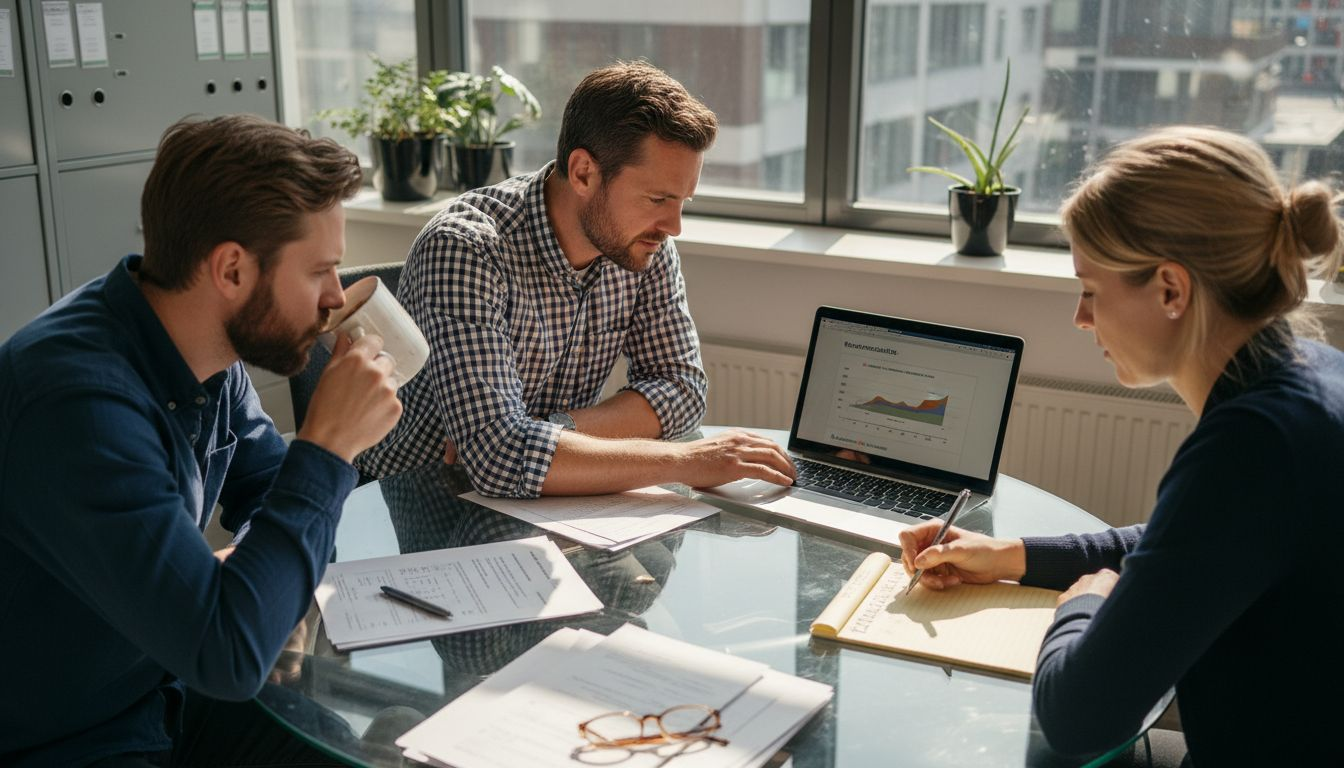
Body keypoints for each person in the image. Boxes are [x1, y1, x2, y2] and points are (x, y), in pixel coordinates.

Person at [897, 126, 1344, 766]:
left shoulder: (1253, 444)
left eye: (1089, 291)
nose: (1081, 320)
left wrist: (1081, 603)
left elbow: (1079, 720)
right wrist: (1011, 555)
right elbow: (1191, 540)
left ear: (1171, 289)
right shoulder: (1313, 374)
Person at [0, 115, 403, 766]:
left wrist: (254, 594)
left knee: (398, 740)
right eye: (321, 271)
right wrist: (327, 447)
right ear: (232, 270)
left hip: (167, 689)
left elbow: (269, 491)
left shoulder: (206, 357)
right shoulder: (77, 407)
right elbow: (228, 654)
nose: (336, 298)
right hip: (74, 740)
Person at [357, 60, 795, 496]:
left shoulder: (643, 241)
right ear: (584, 172)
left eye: (682, 201)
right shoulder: (466, 247)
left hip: (557, 500)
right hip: (426, 503)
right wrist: (688, 463)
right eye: (658, 198)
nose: (674, 225)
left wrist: (553, 430)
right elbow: (496, 460)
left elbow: (681, 391)